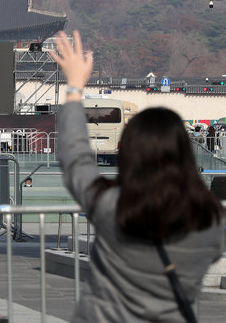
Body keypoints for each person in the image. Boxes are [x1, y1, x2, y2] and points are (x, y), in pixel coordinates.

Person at [51, 30, 224, 323]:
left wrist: (74, 88)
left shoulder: (110, 205)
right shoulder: (210, 222)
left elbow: (75, 158)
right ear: (184, 155)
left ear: (130, 152)